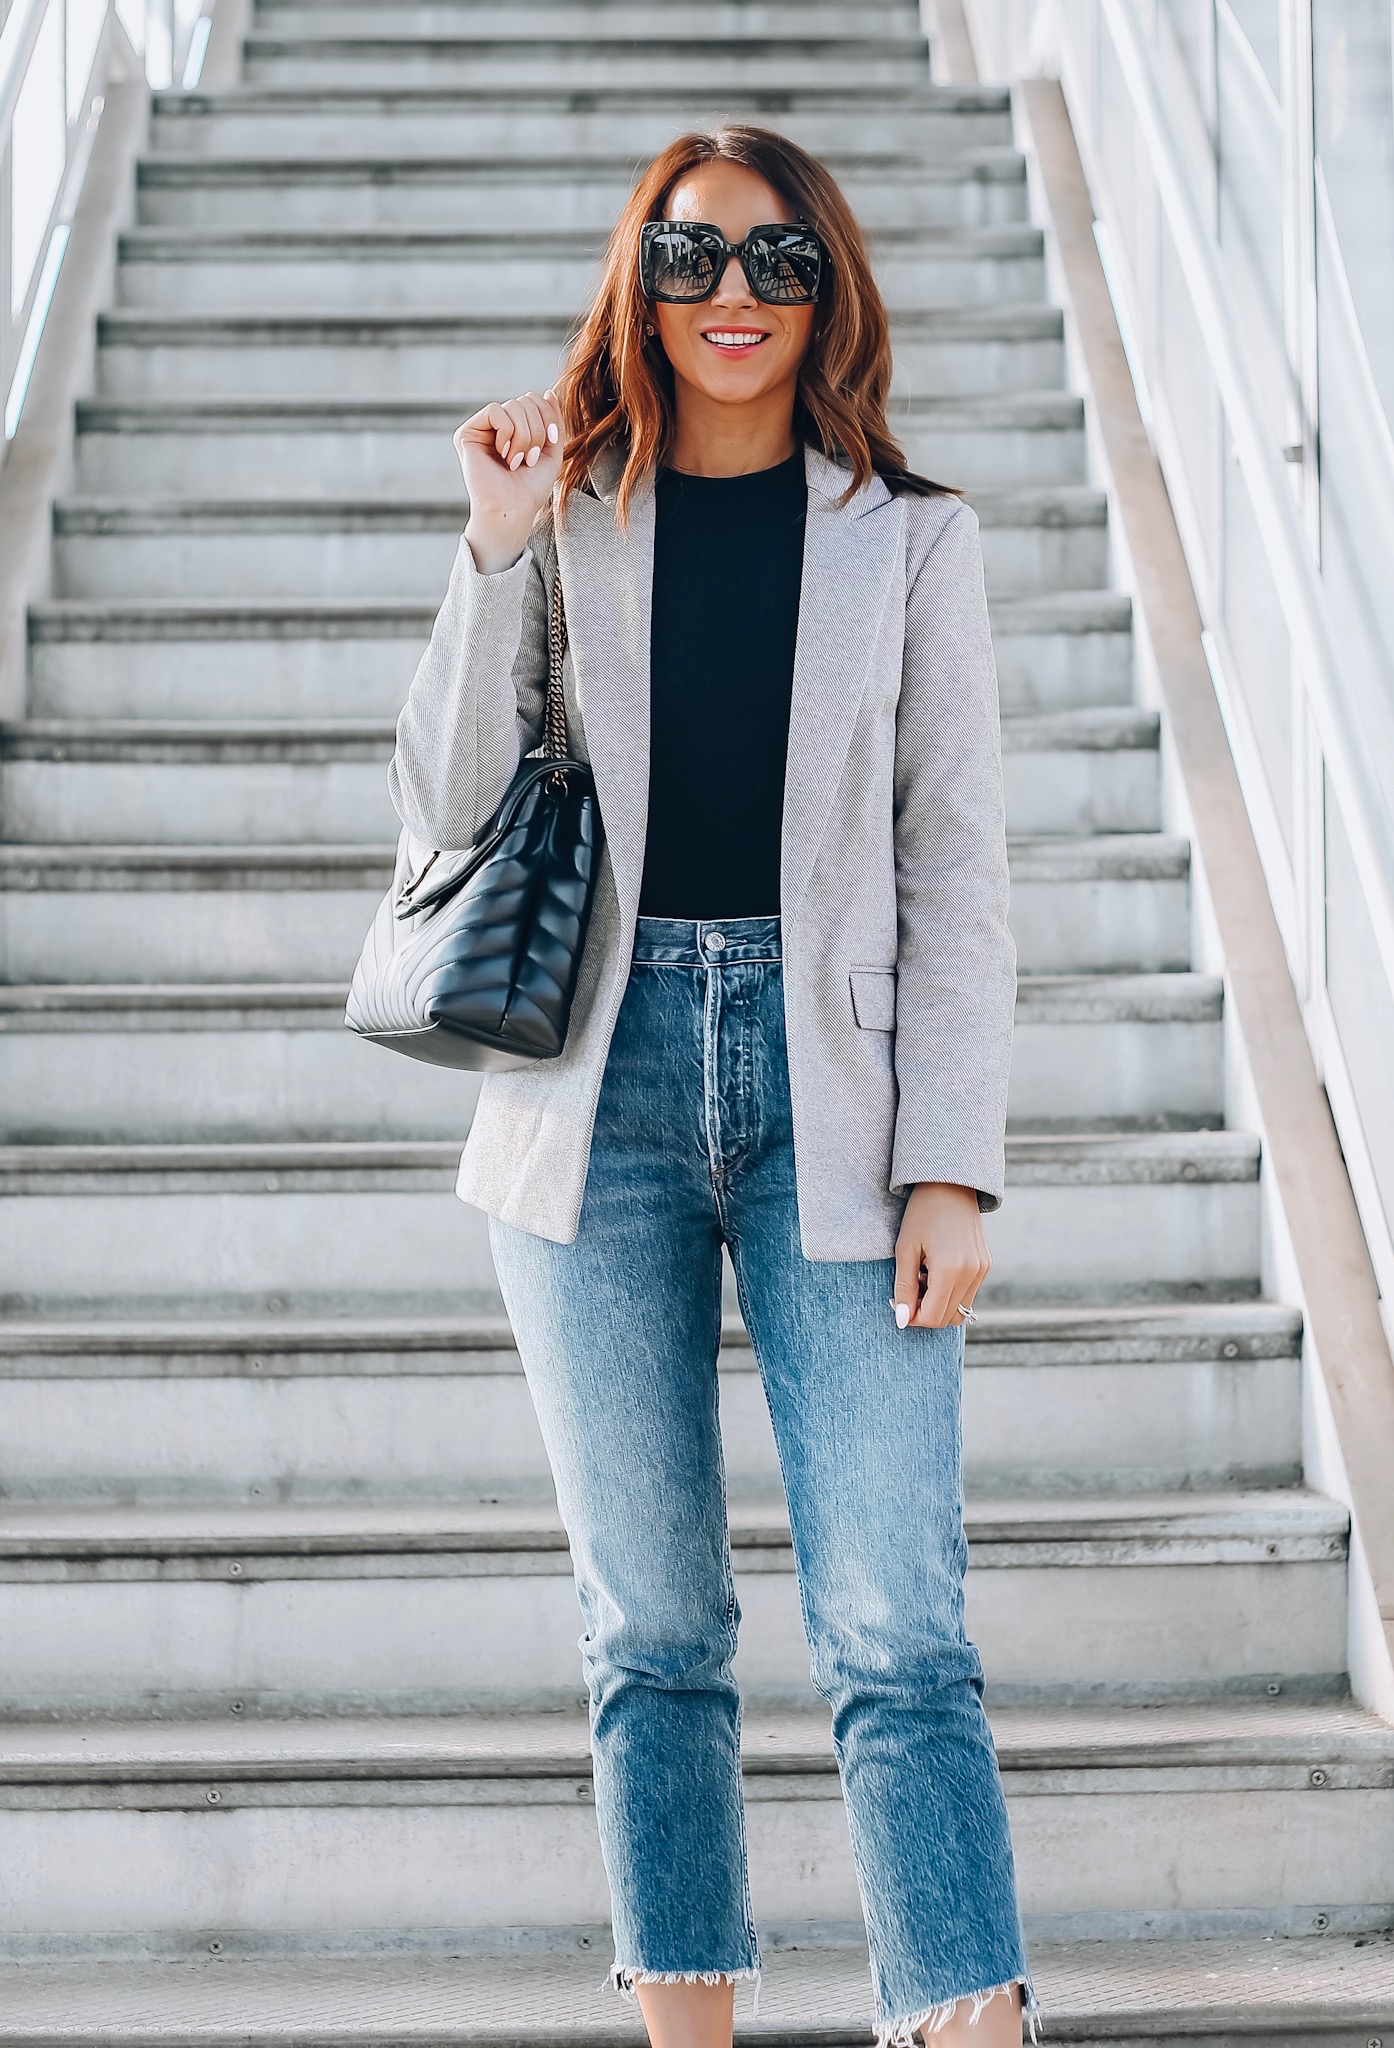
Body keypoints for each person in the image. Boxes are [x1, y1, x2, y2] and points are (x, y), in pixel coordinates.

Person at [388, 125, 1036, 2048]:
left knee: (898, 1628)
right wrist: (491, 554)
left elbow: (961, 876)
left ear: (826, 287)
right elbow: (436, 809)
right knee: (651, 1628)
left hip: (838, 1083)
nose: (731, 297)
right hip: (594, 1085)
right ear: (638, 283)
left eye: (771, 262)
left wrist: (955, 1165)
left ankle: (964, 2019)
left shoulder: (914, 537)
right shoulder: (568, 516)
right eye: (688, 260)